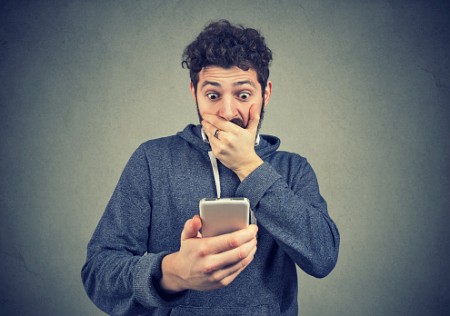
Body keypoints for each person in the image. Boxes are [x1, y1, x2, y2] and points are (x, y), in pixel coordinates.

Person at [81, 20, 340, 316]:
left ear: (265, 94)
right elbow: (98, 274)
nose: (227, 112)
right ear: (194, 92)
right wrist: (172, 273)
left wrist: (249, 166)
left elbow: (323, 257)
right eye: (213, 95)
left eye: (243, 95)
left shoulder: (293, 169)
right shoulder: (152, 160)